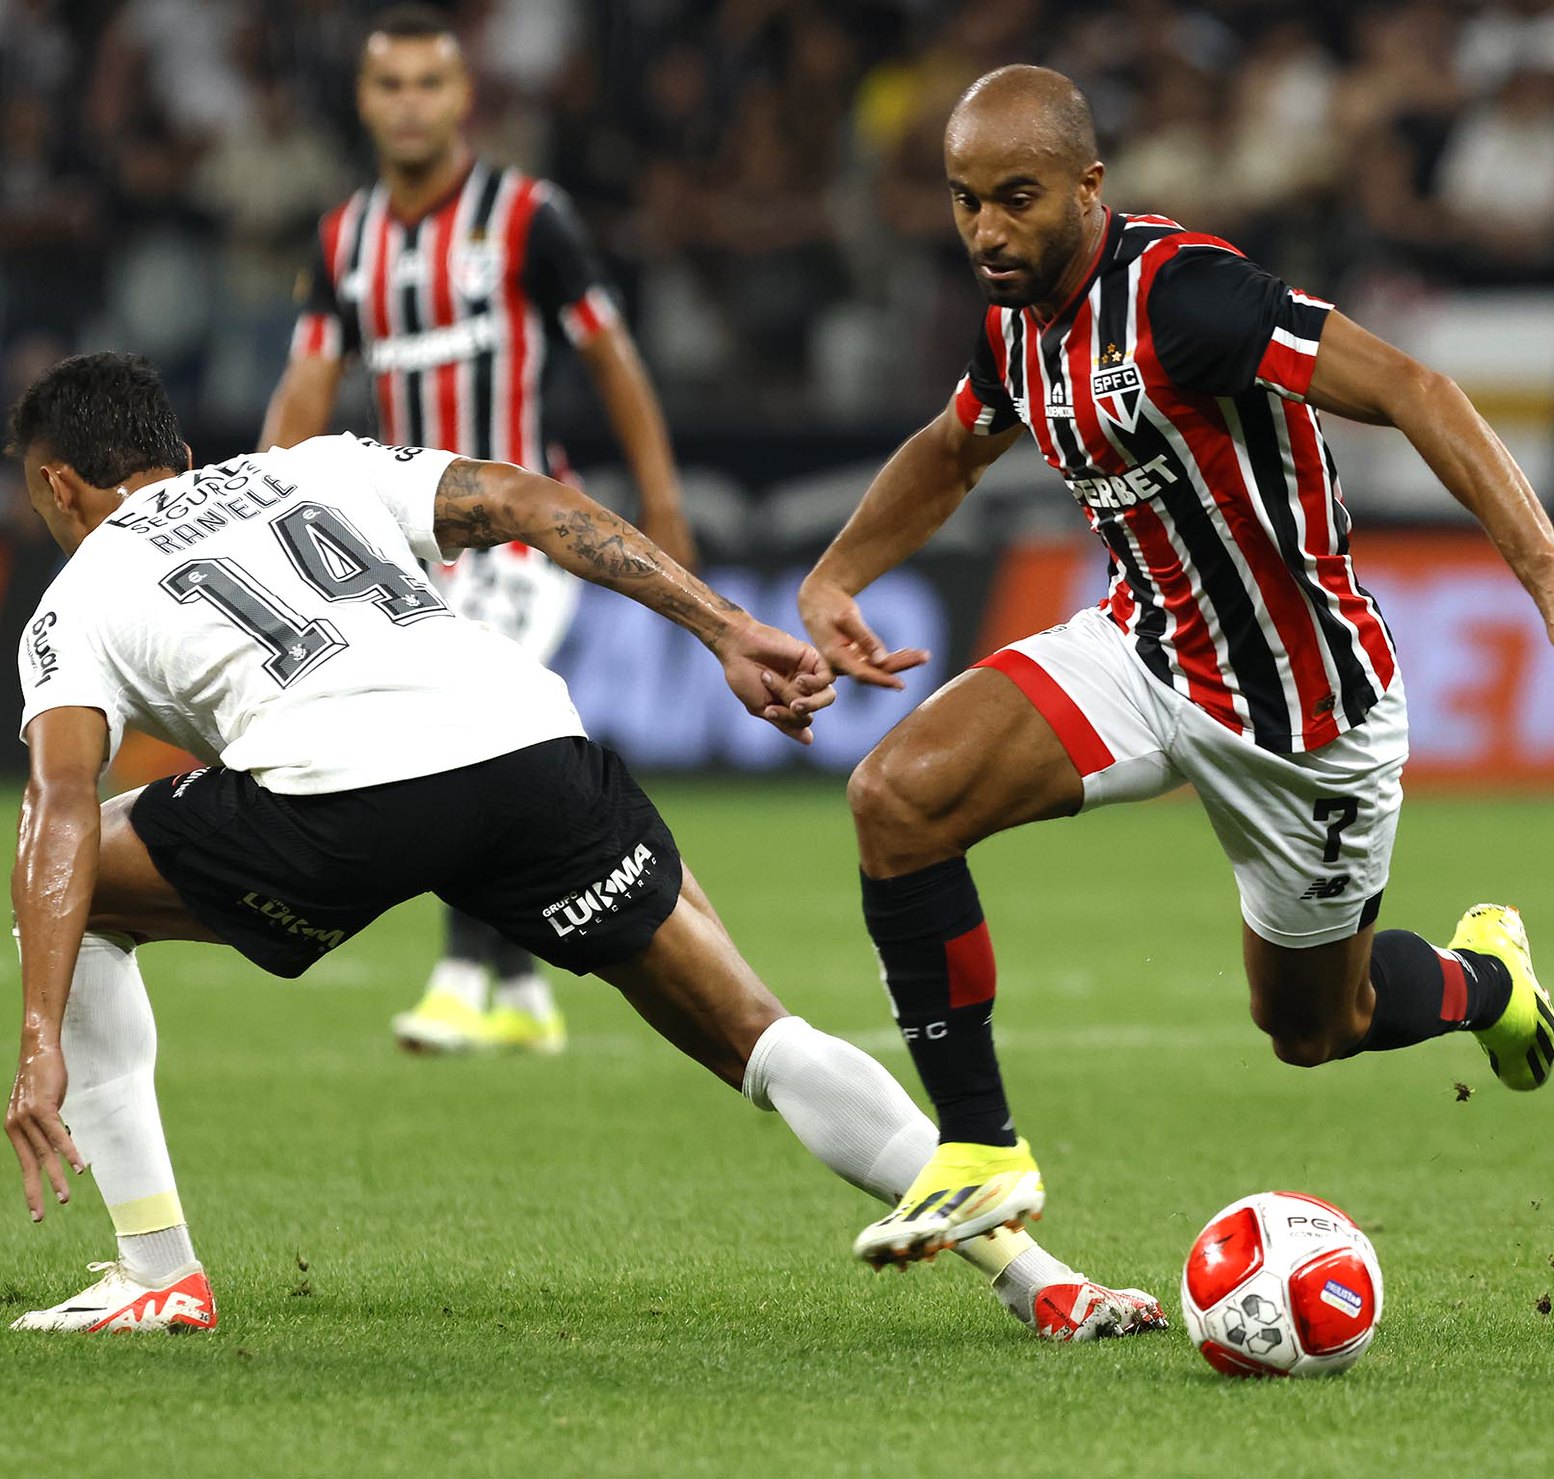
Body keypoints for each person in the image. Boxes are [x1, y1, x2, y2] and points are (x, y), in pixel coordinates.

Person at [4, 352, 1162, 1342]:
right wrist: (723, 626)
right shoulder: (313, 468)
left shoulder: (78, 596)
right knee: (756, 1033)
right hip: (525, 748)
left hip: (334, 802)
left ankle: (157, 1275)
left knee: (76, 883)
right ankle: (1043, 1284)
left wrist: (41, 1032)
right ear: (175, 447)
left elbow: (60, 806)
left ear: (58, 484)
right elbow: (517, 498)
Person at [797, 67, 1554, 1266]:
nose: (987, 230)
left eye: (1018, 198)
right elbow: (949, 452)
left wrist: (1546, 569)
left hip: (1303, 713)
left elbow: (1414, 387)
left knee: (1313, 1027)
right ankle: (980, 1149)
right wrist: (835, 579)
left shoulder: (1185, 294)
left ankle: (1483, 982)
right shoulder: (1014, 321)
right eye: (964, 200)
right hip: (1142, 649)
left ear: (1089, 187)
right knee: (895, 800)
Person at [261, 4, 696, 1058]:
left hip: (518, 531)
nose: (409, 103)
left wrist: (662, 500)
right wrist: (265, 495)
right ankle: (519, 989)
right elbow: (306, 384)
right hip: (403, 544)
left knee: (451, 723)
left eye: (428, 83)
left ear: (464, 98)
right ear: (365, 103)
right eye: (389, 85)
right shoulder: (344, 241)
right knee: (468, 739)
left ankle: (463, 974)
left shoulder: (527, 217)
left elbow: (611, 357)